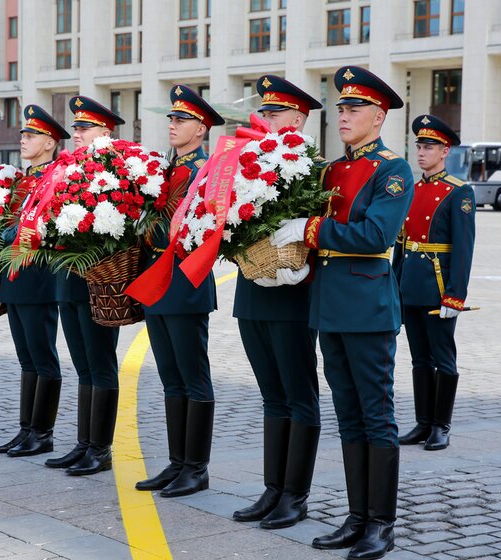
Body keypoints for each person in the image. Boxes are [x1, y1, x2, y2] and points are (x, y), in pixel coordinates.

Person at [270, 66, 413, 559]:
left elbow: (374, 236)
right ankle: (357, 517)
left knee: (376, 416)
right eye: (341, 109)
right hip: (329, 307)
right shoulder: (332, 169)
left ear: (379, 115)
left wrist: (311, 230)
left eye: (354, 109)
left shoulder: (392, 170)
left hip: (368, 308)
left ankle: (382, 523)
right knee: (348, 417)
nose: (344, 116)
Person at [231, 75, 322, 530]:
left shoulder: (312, 164)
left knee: (298, 394)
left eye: (275, 113)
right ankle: (273, 488)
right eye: (263, 112)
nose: (265, 119)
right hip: (253, 290)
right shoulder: (242, 159)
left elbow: (319, 226)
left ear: (299, 119)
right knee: (271, 396)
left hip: (292, 294)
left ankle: (295, 494)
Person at [134, 85, 225, 498]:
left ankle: (197, 467)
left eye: (181, 120)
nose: (172, 125)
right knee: (170, 378)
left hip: (185, 281)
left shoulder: (208, 172)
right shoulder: (166, 170)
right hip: (157, 278)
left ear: (201, 129)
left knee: (193, 376)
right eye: (171, 118)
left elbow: (205, 228)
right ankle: (177, 462)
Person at [43, 96, 123, 476]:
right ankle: (84, 443)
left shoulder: (117, 168)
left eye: (84, 128)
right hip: (67, 279)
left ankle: (101, 448)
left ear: (104, 132)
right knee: (83, 367)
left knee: (101, 364)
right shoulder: (66, 169)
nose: (76, 134)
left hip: (98, 280)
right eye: (74, 128)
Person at [394, 114, 475, 454]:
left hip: (438, 287)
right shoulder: (412, 190)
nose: (422, 152)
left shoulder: (459, 192)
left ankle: (441, 426)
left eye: (429, 147)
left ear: (445, 151)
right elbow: (400, 244)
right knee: (418, 359)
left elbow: (464, 249)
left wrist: (455, 296)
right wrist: (393, 288)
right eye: (419, 146)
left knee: (443, 358)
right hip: (411, 285)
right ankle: (423, 421)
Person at [0, 104, 65, 458]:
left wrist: (12, 234)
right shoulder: (24, 178)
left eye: (31, 135)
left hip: (38, 277)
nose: (23, 139)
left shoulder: (55, 177)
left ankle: (43, 432)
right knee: (26, 358)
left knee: (42, 355)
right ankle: (26, 429)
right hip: (15, 276)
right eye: (23, 134)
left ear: (50, 143)